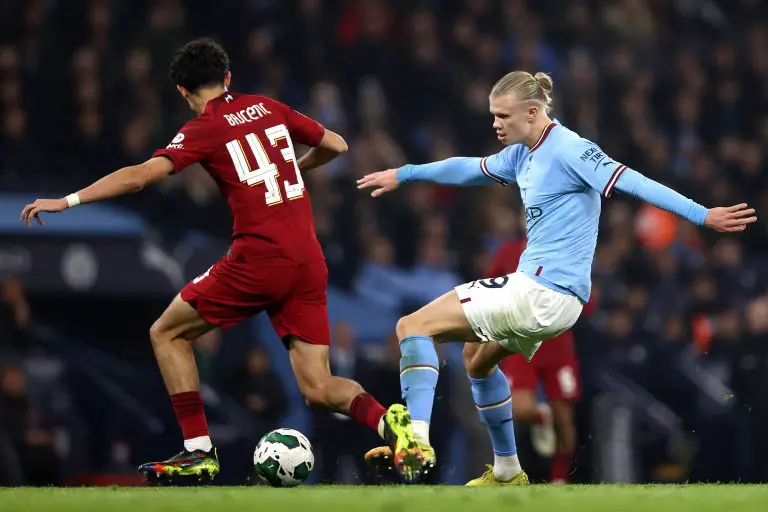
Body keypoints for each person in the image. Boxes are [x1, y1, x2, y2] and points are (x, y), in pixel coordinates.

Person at [19, 38, 422, 484]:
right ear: (228, 77)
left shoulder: (204, 127)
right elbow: (338, 144)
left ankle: (197, 452)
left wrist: (70, 200)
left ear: (181, 91)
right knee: (319, 386)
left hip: (259, 258)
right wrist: (294, 168)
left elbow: (140, 177)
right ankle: (391, 424)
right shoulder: (267, 106)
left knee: (166, 333)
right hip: (308, 259)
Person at [357, 70, 757, 486]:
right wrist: (405, 173)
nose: (495, 124)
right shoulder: (521, 153)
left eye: (502, 115)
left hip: (541, 291)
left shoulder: (571, 149)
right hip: (554, 300)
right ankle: (508, 470)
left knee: (412, 326)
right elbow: (468, 169)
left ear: (532, 112)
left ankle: (416, 441)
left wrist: (702, 214)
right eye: (493, 115)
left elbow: (634, 181)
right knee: (476, 359)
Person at [492, 237, 583, 484]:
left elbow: (586, 298)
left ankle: (558, 479)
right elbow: (491, 290)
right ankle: (539, 415)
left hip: (558, 341)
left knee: (564, 419)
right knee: (519, 409)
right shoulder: (509, 250)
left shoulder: (569, 249)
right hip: (523, 340)